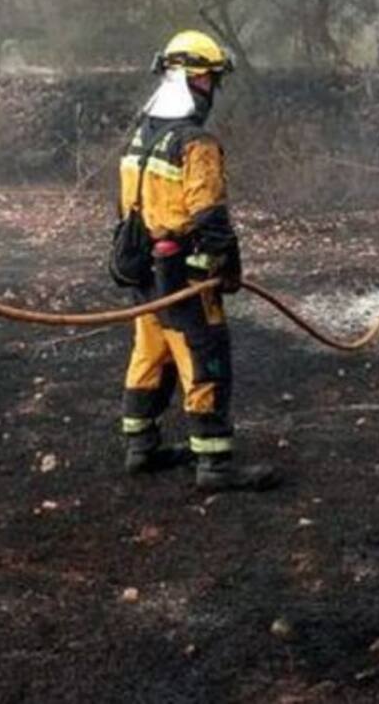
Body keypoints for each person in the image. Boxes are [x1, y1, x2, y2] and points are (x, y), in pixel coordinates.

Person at [115, 30, 275, 492]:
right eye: (210, 81)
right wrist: (226, 265)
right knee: (204, 358)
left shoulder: (139, 139)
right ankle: (215, 466)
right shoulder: (194, 142)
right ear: (193, 80)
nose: (212, 91)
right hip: (184, 276)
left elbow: (126, 208)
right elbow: (209, 215)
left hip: (142, 269)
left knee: (151, 354)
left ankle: (140, 447)